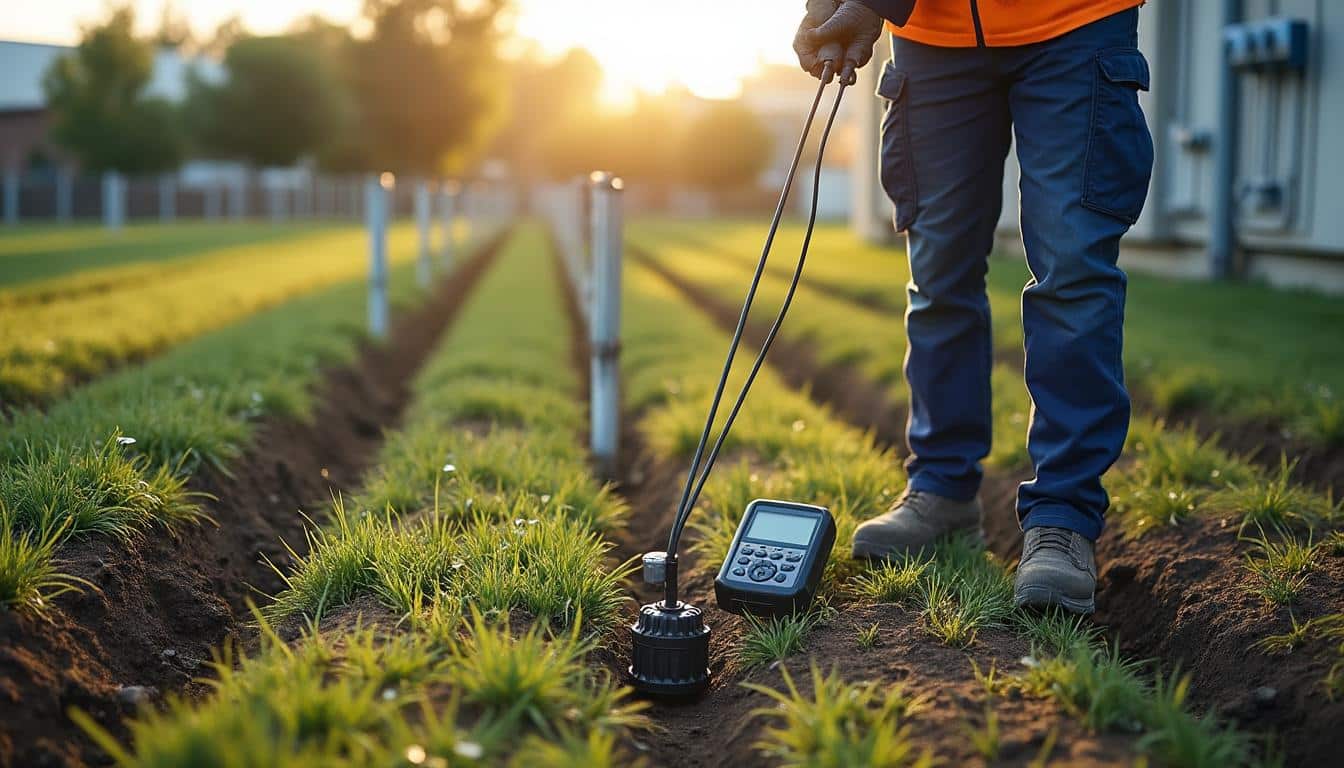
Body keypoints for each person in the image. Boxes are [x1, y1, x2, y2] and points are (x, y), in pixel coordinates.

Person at [794, 0, 1153, 614]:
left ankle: (1063, 518)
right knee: (938, 274)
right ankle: (941, 490)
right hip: (934, 35)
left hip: (1073, 22)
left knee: (1071, 271)